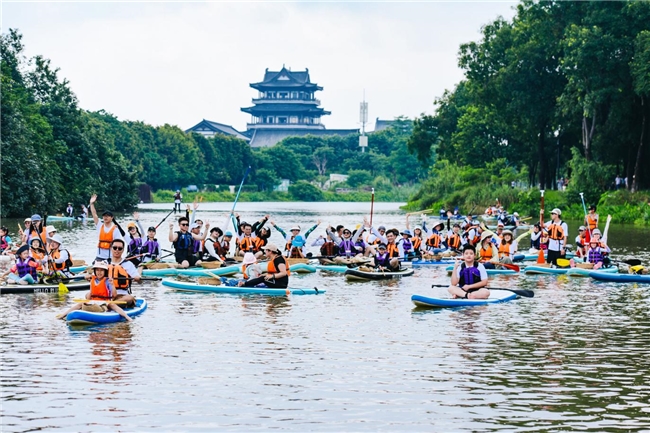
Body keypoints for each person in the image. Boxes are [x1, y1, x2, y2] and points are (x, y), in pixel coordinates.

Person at [55, 261, 133, 321]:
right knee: (80, 303)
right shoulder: (92, 279)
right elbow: (85, 278)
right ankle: (63, 315)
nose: (99, 272)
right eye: (97, 270)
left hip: (104, 301)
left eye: (101, 270)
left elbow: (114, 295)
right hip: (94, 301)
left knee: (112, 305)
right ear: (95, 271)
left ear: (105, 272)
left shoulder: (107, 281)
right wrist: (86, 276)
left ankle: (126, 317)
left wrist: (112, 284)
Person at [89, 194, 124, 262]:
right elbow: (94, 214)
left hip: (110, 257)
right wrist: (91, 204)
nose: (105, 217)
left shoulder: (115, 229)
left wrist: (117, 257)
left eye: (107, 216)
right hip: (99, 256)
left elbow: (119, 244)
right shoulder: (99, 225)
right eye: (104, 216)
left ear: (112, 218)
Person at [107, 239, 140, 308]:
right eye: (115, 248)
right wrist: (88, 276)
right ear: (111, 248)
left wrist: (137, 278)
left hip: (122, 295)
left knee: (129, 298)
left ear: (123, 250)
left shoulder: (128, 264)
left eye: (120, 248)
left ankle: (110, 305)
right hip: (106, 294)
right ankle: (111, 304)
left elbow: (139, 279)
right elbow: (94, 275)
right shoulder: (104, 263)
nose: (117, 250)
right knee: (88, 294)